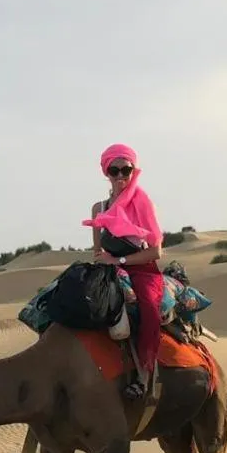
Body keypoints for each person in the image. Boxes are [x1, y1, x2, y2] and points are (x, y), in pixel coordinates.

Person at [84, 143, 164, 400]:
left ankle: (144, 376)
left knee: (149, 309)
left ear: (133, 171)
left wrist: (118, 260)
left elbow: (156, 251)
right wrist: (105, 263)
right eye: (114, 170)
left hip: (142, 269)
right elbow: (98, 252)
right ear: (106, 172)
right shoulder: (99, 209)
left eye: (126, 170)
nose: (120, 176)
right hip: (109, 267)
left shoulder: (142, 203)